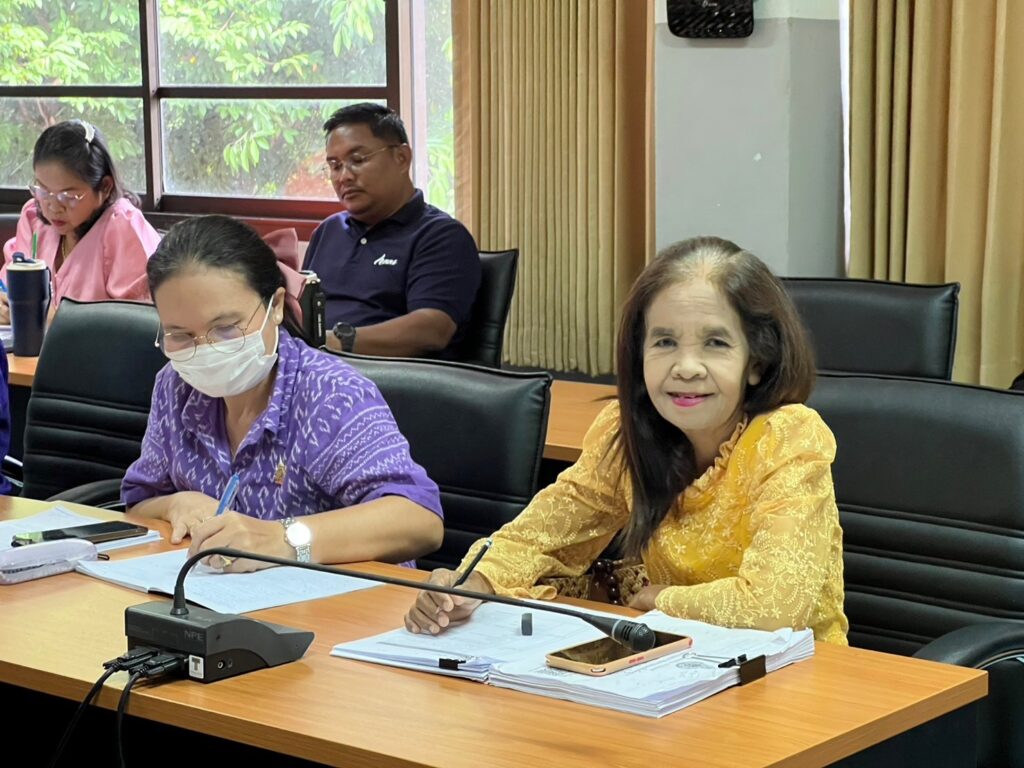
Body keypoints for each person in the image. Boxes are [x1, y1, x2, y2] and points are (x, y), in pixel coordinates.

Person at [405, 236, 848, 643]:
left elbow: (772, 609)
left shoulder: (787, 437)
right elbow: (538, 536)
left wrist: (659, 599)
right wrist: (472, 584)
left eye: (715, 343)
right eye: (665, 342)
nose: (686, 367)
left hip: (801, 676)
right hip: (681, 663)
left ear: (756, 362)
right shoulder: (625, 433)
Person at [121, 215, 444, 570]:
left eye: (226, 328)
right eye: (180, 335)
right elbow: (139, 501)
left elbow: (419, 521)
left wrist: (284, 539)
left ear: (274, 307)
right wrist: (175, 504)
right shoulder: (175, 386)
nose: (206, 350)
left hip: (340, 597)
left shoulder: (329, 393)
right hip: (219, 592)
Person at [303, 103, 481, 359]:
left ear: (401, 158)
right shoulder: (328, 231)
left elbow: (432, 329)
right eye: (335, 165)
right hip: (312, 365)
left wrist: (333, 342)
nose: (344, 177)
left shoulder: (441, 236)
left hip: (385, 376)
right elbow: (302, 310)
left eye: (357, 160)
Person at [0, 119, 159, 322]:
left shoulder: (122, 227)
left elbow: (141, 323)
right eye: (43, 191)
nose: (53, 207)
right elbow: (8, 286)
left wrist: (52, 319)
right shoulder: (34, 219)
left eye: (68, 196)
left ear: (105, 187)